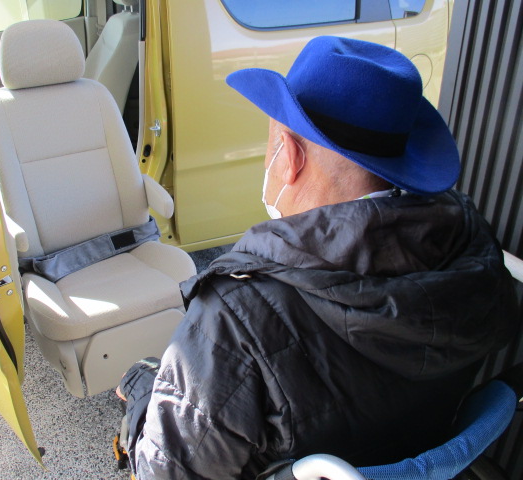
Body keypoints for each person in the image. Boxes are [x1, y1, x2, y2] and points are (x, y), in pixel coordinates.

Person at [116, 36, 518, 479]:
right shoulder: (473, 251)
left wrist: (142, 392)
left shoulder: (234, 318)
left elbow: (167, 472)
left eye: (269, 143)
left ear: (288, 157)